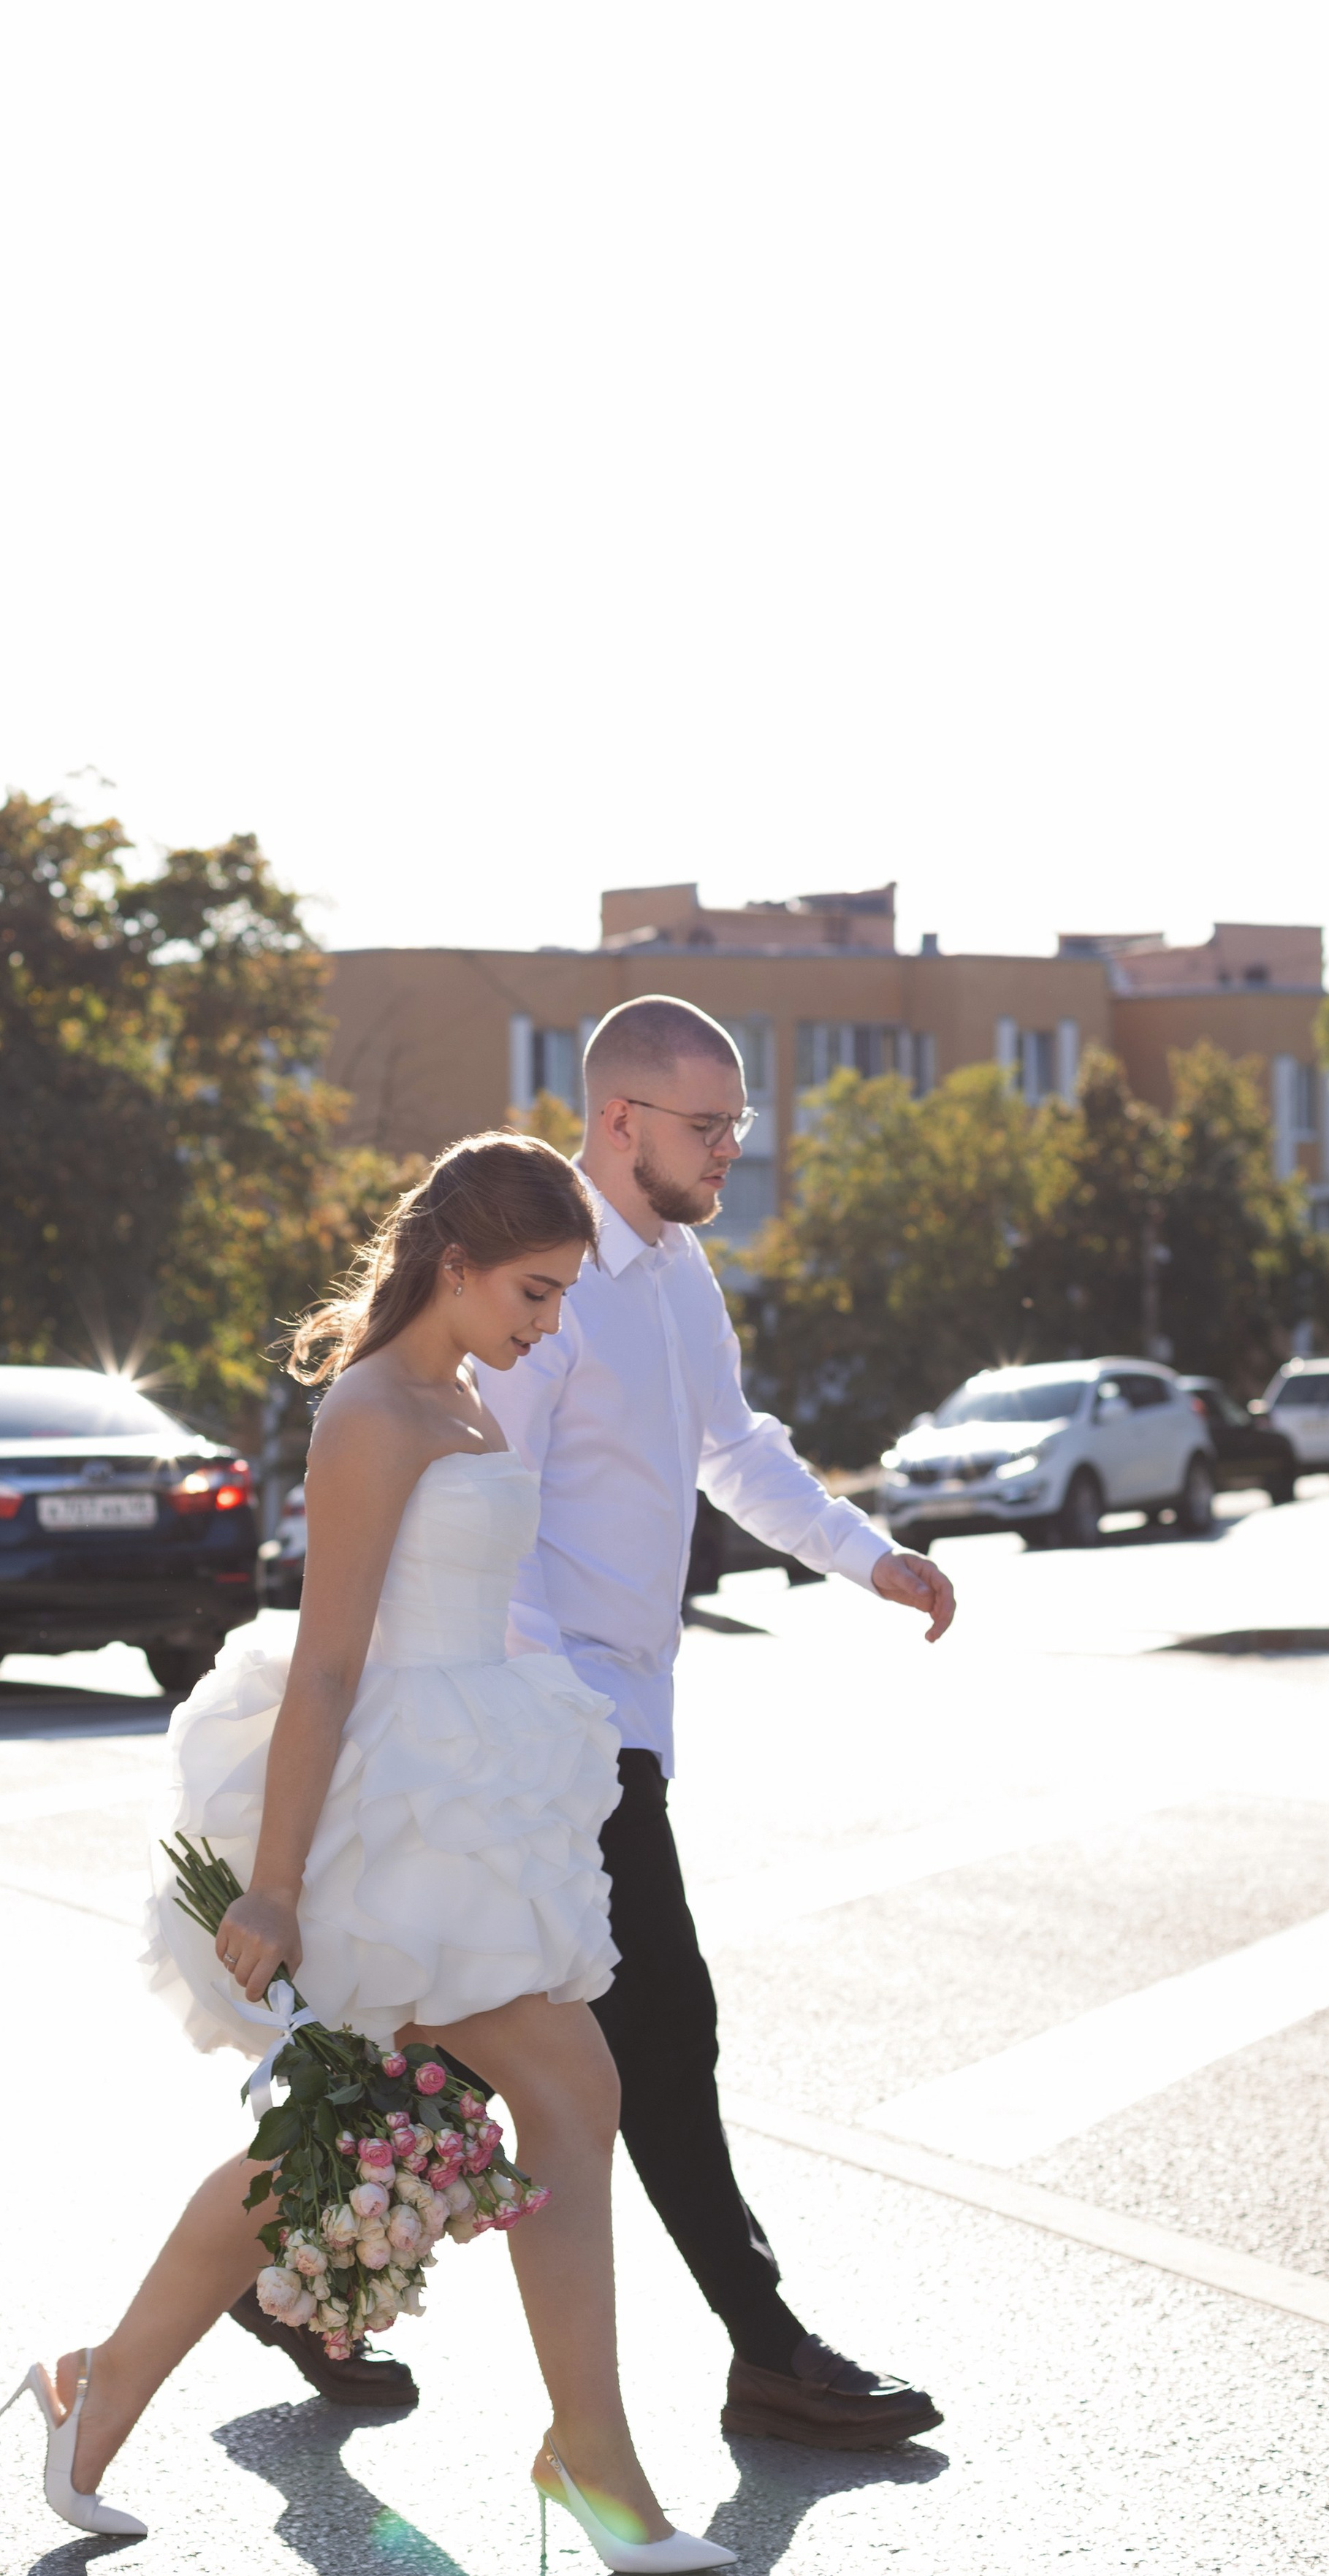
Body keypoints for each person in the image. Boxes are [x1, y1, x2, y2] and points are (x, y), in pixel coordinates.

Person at [0, 1133, 734, 2575]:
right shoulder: (373, 1414)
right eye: (531, 1289)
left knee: (353, 2146)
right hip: (397, 1796)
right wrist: (273, 1881)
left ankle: (96, 2384)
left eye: (563, 1293)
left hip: (475, 1776)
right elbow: (328, 1662)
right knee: (555, 2090)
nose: (547, 1322)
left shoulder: (461, 1395)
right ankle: (589, 2461)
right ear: (452, 1265)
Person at [472, 994, 957, 2454]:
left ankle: (294, 2277)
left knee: (427, 2030)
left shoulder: (678, 1273)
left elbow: (730, 1448)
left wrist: (871, 1555)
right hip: (549, 1728)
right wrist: (559, 1721)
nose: (730, 1150)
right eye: (707, 1125)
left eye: (739, 1123)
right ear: (618, 1121)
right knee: (659, 2031)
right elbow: (484, 1517)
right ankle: (766, 2348)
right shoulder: (534, 1277)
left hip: (616, 1719)